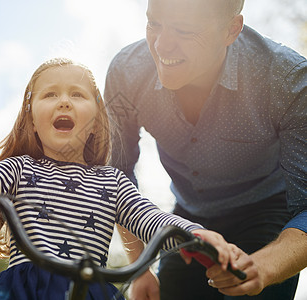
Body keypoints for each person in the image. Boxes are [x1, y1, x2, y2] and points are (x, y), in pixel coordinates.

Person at [0, 57, 239, 300]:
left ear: (95, 120)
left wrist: (195, 235)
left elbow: (151, 219)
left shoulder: (113, 182)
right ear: (32, 120)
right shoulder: (21, 169)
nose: (64, 100)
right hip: (25, 291)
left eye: (77, 95)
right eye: (50, 94)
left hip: (91, 291)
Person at [104, 0, 307, 299]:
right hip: (187, 219)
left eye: (184, 31)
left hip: (266, 213)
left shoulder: (287, 79)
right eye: (154, 24)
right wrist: (140, 268)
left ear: (231, 30)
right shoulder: (127, 73)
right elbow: (117, 175)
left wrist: (262, 267)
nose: (161, 45)